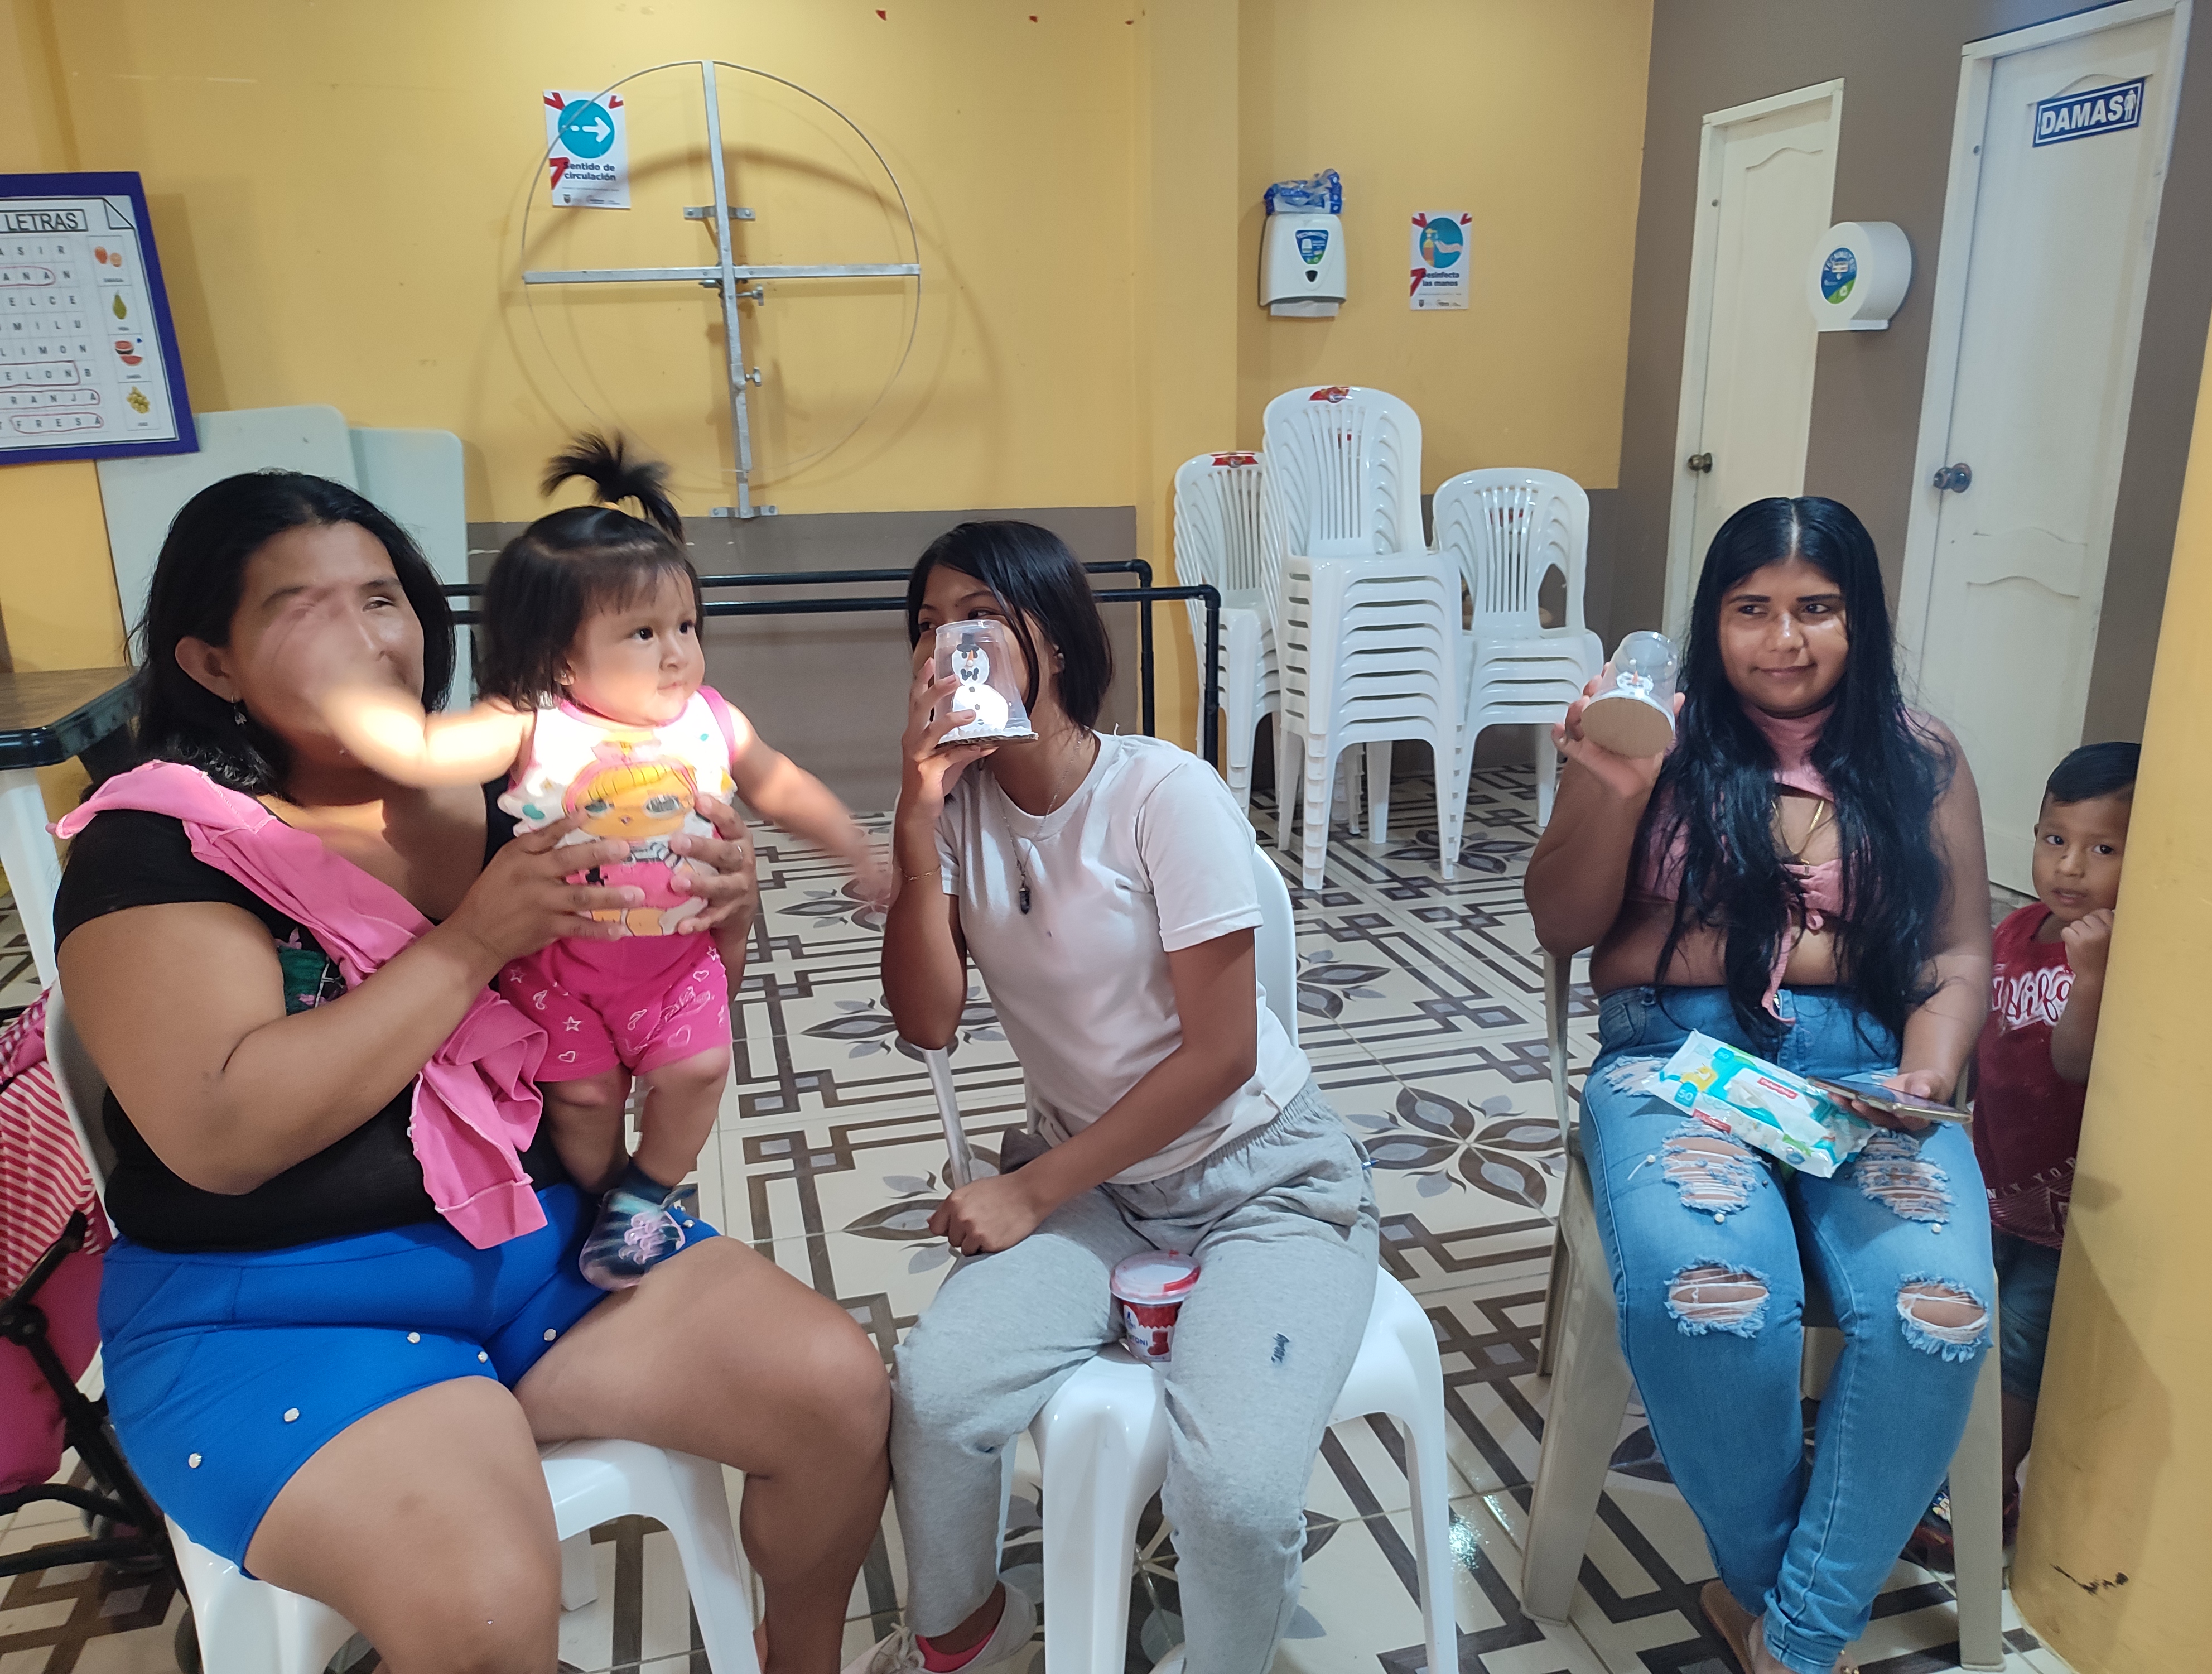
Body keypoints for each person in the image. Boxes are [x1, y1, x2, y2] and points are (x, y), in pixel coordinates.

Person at [54, 469, 889, 1674]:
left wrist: (725, 915)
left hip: (543, 1246)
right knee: (485, 1608)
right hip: (280, 1306)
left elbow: (642, 1006)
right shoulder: (164, 845)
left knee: (836, 1392)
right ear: (211, 662)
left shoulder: (525, 789)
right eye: (301, 605)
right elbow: (223, 1135)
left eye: (381, 596)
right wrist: (471, 943)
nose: (365, 635)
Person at [852, 522, 1377, 1674]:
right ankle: (967, 1638)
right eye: (928, 628)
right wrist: (914, 819)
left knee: (1234, 1494)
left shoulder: (1161, 793)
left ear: (1050, 635)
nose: (948, 647)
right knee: (938, 1397)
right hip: (1097, 1185)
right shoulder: (960, 813)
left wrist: (1032, 1190)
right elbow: (926, 1022)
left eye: (979, 618)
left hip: (1262, 1180)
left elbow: (1222, 1055)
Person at [1524, 497, 1995, 1674]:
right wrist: (1613, 788)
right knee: (1712, 1299)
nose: (1783, 640)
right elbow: (1567, 927)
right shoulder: (1655, 734)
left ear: (1860, 616)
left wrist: (1930, 1065)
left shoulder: (1920, 758)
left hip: (1873, 1069)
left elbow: (1953, 952)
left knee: (1937, 1315)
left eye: (1815, 608)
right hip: (1676, 1061)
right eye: (1751, 609)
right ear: (1711, 619)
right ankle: (1790, 1615)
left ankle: (1784, 1638)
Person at [317, 435, 880, 1288]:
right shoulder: (534, 723)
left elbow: (784, 785)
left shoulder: (713, 719)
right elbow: (425, 752)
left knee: (699, 1070)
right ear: (560, 657)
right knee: (584, 1102)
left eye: (686, 626)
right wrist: (344, 690)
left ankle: (646, 1194)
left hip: (678, 964)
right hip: (560, 974)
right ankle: (609, 1197)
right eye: (643, 633)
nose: (677, 652)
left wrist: (855, 847)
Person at [1970, 739, 2135, 1527]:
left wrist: (2094, 975)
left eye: (2104, 849)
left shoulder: (2123, 953)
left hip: (2063, 1211)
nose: (2070, 867)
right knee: (1967, 1320)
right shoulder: (2017, 929)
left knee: (2020, 1348)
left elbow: (2074, 1063)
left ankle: (1988, 1494)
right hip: (1992, 1175)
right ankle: (1945, 1466)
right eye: (2054, 839)